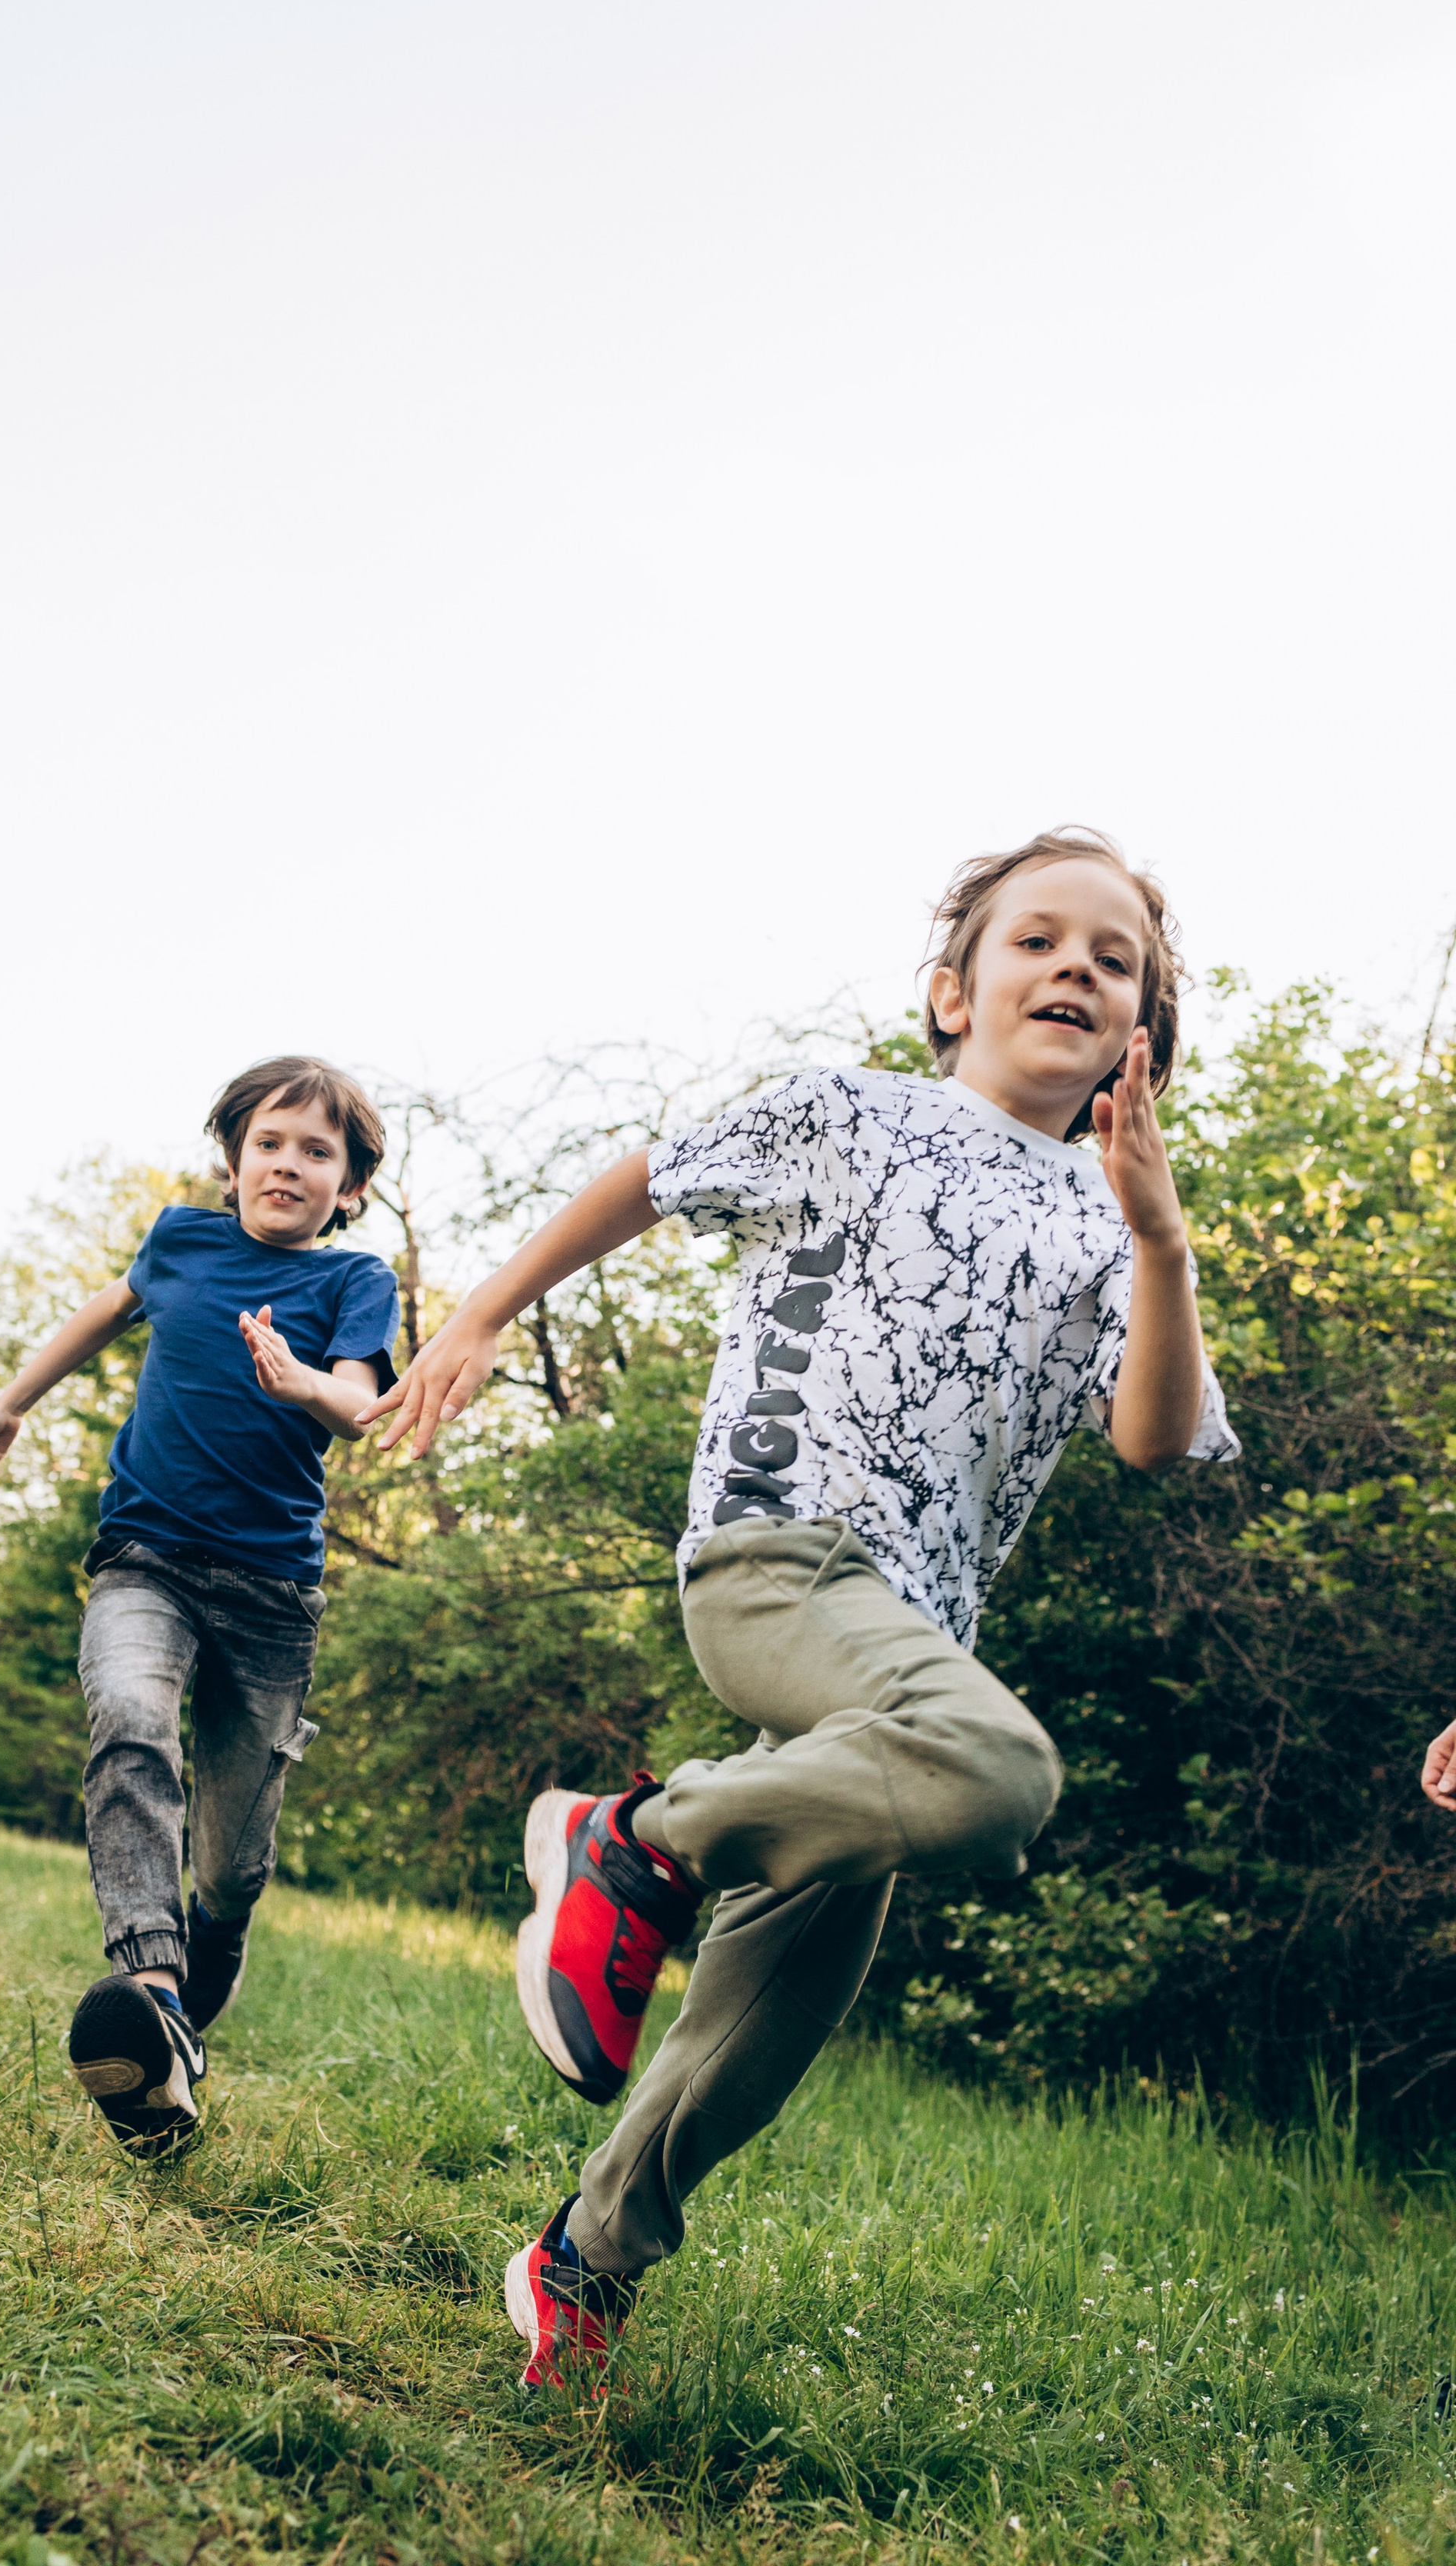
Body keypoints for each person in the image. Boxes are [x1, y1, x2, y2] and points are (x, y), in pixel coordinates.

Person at [363, 828, 1241, 2389]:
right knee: (1001, 1775)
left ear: (1139, 1036)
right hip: (777, 1555)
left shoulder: (1117, 1226)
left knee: (765, 2016)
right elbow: (648, 1179)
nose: (1074, 970)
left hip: (901, 1652)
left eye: (1113, 962)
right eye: (1037, 940)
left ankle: (584, 2262)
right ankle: (632, 1841)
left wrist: (1161, 1239)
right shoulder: (851, 1116)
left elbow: (1154, 1437)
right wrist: (484, 1311)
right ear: (951, 992)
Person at [0, 1056, 398, 2155]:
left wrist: (304, 1384)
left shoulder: (354, 1281)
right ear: (233, 1162)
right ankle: (150, 1986)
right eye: (269, 1143)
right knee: (130, 1714)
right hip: (145, 1555)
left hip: (271, 1594)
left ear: (348, 1187)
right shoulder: (179, 1243)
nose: (287, 1165)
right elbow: (105, 1312)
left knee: (230, 1866)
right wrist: (8, 1405)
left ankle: (201, 1965)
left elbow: (361, 1401)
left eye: (317, 1152)